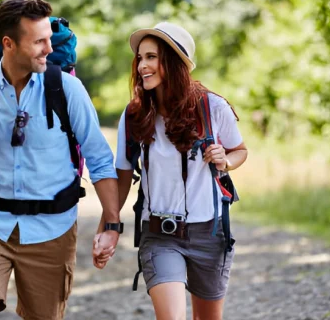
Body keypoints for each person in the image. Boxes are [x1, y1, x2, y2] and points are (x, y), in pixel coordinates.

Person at [0, 0, 122, 320]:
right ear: (8, 43)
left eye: (49, 40)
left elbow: (99, 158)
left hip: (52, 228)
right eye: (38, 41)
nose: (48, 49)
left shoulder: (67, 89)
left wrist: (111, 224)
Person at [96, 22, 248, 320]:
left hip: (210, 233)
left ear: (174, 62)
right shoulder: (135, 114)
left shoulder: (213, 107)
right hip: (159, 233)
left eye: (152, 57)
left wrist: (226, 160)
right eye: (140, 58)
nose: (142, 66)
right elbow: (123, 175)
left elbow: (240, 151)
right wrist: (109, 229)